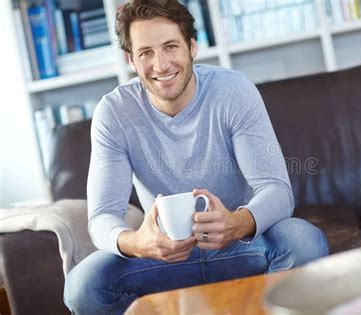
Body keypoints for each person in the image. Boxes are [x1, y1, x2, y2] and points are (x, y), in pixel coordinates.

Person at [63, 0, 329, 313]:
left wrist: (238, 222)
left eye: (170, 46)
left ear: (192, 47)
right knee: (83, 286)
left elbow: (277, 190)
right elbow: (102, 216)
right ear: (131, 60)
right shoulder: (114, 113)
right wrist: (137, 242)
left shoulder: (233, 91)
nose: (160, 65)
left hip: (238, 245)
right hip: (165, 258)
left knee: (304, 242)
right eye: (146, 52)